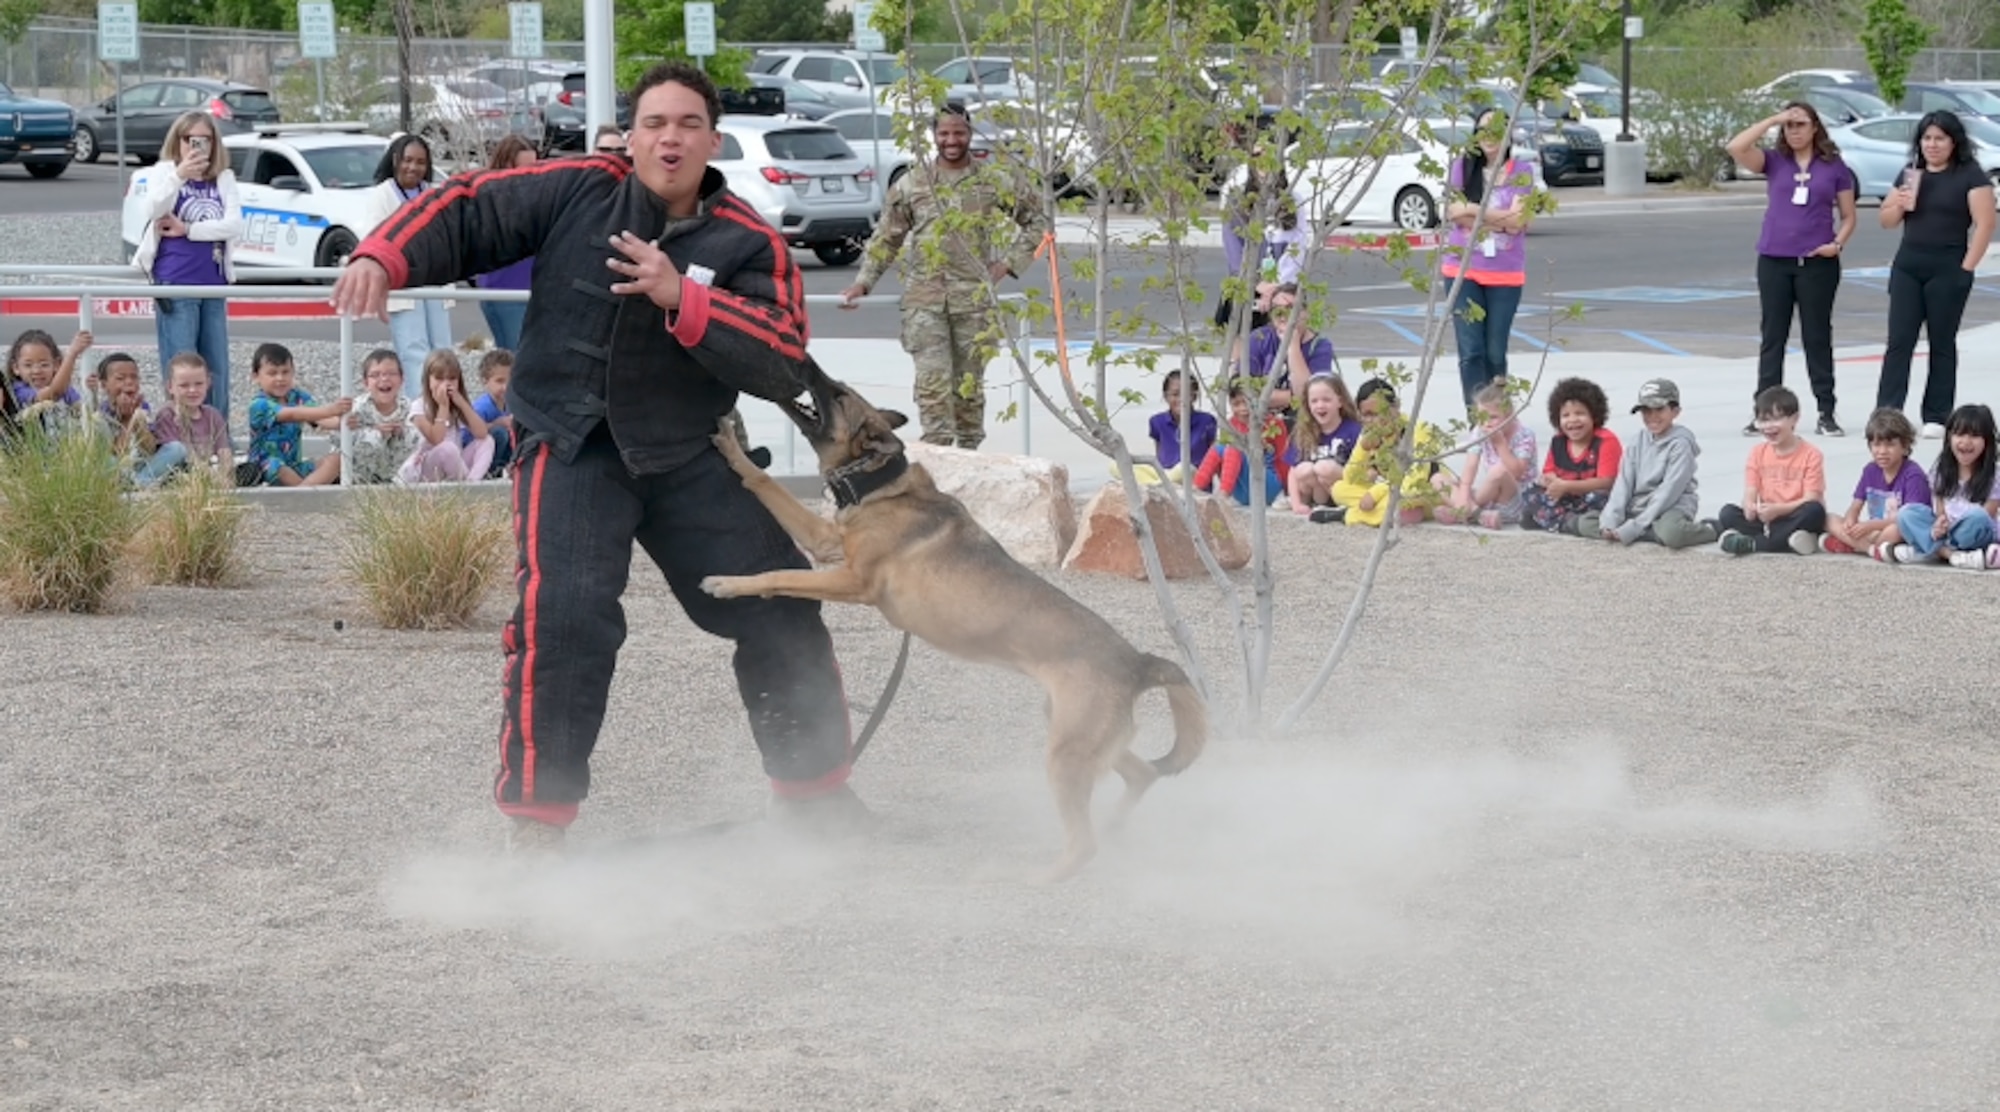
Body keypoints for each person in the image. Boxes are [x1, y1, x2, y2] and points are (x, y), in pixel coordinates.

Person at [330, 61, 868, 846]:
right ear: (634, 134)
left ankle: (816, 796)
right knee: (566, 620)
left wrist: (684, 295)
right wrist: (384, 255)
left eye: (688, 124)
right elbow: (469, 209)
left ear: (713, 139)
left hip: (692, 450)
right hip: (571, 445)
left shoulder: (748, 238)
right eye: (655, 123)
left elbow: (784, 356)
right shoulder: (577, 186)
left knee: (782, 608)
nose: (670, 138)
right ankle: (538, 826)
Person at [841, 102, 1049, 450]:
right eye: (944, 133)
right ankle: (938, 460)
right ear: (934, 136)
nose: (951, 140)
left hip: (974, 303)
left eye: (959, 132)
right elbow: (886, 238)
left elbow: (1038, 221)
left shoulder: (992, 181)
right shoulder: (913, 183)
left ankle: (969, 458)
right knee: (933, 387)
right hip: (924, 304)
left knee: (968, 389)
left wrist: (1009, 264)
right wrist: (863, 283)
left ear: (969, 134)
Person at [1726, 102, 1858, 437]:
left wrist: (1837, 244)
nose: (1794, 130)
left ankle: (1826, 412)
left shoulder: (1834, 167)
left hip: (1817, 263)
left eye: (1800, 124)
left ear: (1815, 127)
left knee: (1817, 337)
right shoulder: (1774, 161)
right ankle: (1766, 411)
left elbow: (1849, 216)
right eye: (1789, 125)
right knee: (1773, 337)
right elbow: (1736, 147)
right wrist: (1771, 119)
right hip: (1774, 260)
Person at [1875, 111, 1997, 439]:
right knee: (1899, 340)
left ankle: (1937, 414)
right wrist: (1898, 204)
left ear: (1953, 141)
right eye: (1926, 138)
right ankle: (1889, 411)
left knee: (1941, 341)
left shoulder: (1970, 175)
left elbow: (1985, 224)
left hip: (1948, 267)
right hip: (1908, 266)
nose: (1932, 144)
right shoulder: (1911, 173)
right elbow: (1886, 220)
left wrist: (1966, 268)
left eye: (1939, 138)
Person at [134, 112, 241, 422]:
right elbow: (153, 209)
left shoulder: (224, 178)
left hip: (213, 281)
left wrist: (188, 229)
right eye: (189, 139)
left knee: (215, 369)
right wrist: (179, 175)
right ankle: (181, 439)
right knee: (181, 366)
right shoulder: (164, 173)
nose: (197, 146)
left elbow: (233, 226)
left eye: (205, 140)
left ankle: (218, 442)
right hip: (176, 281)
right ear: (177, 141)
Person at [1442, 107, 1537, 407]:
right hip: (1462, 270)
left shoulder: (1522, 172)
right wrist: (1499, 218)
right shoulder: (1462, 167)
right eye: (1484, 131)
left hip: (1505, 275)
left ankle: (1497, 415)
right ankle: (1477, 420)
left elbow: (1519, 221)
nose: (1490, 138)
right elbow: (1454, 213)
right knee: (1471, 352)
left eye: (1497, 130)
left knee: (1495, 353)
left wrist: (1474, 211)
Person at [1578, 378, 1718, 549]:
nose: (1652, 417)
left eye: (1659, 409)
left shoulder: (1681, 445)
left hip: (1671, 506)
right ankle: (1645, 532)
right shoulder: (1637, 440)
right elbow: (1624, 483)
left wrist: (1635, 527)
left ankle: (1711, 529)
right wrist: (1610, 521)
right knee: (1587, 522)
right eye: (1646, 411)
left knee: (1672, 534)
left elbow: (1669, 492)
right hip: (1638, 506)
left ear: (1675, 411)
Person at [368, 133, 452, 397]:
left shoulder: (434, 193)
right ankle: (421, 420)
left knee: (442, 350)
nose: (413, 167)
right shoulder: (381, 195)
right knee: (414, 354)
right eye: (407, 160)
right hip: (403, 284)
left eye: (420, 162)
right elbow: (375, 236)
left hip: (433, 279)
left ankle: (446, 415)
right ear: (395, 160)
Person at [1715, 386, 1828, 555]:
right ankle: (1791, 540)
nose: (1768, 427)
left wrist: (1779, 510)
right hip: (1766, 518)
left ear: (1794, 419)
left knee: (1814, 511)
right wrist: (1750, 506)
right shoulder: (1757, 452)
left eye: (1776, 419)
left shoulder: (1811, 454)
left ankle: (1754, 543)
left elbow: (1810, 498)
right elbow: (1750, 490)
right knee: (1728, 513)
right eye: (1763, 420)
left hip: (1794, 515)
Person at [1884, 403, 1999, 569]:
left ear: (1987, 441)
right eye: (1959, 434)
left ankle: (1926, 550)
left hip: (1972, 533)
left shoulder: (1994, 475)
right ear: (1949, 437)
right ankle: (1950, 554)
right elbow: (1940, 511)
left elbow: (1987, 516)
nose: (1966, 442)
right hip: (1944, 532)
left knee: (1977, 517)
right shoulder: (1941, 470)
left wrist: (1944, 530)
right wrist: (1939, 524)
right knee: (1907, 513)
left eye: (1974, 435)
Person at [1327, 378, 1451, 527]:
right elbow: (1350, 478)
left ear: (1395, 407)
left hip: (1422, 492)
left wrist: (1376, 493)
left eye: (1378, 413)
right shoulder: (1370, 433)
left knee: (1394, 500)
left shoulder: (1418, 430)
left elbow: (1414, 481)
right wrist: (1363, 450)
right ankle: (1398, 514)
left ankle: (1349, 515)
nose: (1373, 420)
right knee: (1339, 489)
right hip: (1392, 493)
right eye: (1366, 415)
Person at [1520, 376, 1622, 535]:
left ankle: (1553, 520)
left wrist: (1566, 486)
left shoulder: (1606, 440)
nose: (1572, 420)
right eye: (1565, 415)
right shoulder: (1558, 440)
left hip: (1590, 497)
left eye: (1580, 413)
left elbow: (1607, 482)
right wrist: (1554, 483)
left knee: (1602, 498)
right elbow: (1548, 472)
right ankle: (1572, 523)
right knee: (1530, 491)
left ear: (1594, 415)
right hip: (1565, 497)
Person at [1823, 408, 1928, 556]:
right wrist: (1850, 520)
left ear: (1905, 447)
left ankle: (1851, 545)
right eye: (1877, 445)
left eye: (1890, 445)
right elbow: (1856, 505)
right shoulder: (1870, 470)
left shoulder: (1913, 475)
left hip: (1896, 530)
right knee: (1828, 518)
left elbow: (1910, 520)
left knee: (1896, 530)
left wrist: (1870, 526)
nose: (1882, 451)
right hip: (1872, 531)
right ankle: (1870, 549)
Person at [245, 342, 348, 487]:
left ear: (293, 372)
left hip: (294, 465)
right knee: (277, 467)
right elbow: (292, 414)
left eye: (285, 372)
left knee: (337, 460)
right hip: (264, 467)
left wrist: (343, 422)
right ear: (256, 377)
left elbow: (321, 419)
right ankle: (306, 495)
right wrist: (331, 409)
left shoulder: (298, 396)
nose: (280, 378)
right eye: (272, 373)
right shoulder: (258, 404)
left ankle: (303, 492)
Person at [1435, 381, 1536, 529]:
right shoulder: (1479, 430)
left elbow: (1518, 472)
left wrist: (1500, 444)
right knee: (1438, 479)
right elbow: (1470, 466)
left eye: (1493, 417)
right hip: (1488, 497)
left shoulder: (1524, 435)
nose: (1486, 423)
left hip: (1514, 498)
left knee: (1499, 470)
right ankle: (1473, 512)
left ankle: (1462, 513)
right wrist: (1463, 495)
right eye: (1481, 417)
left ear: (1510, 416)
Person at [472, 135, 539, 352]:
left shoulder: (536, 196)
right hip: (502, 290)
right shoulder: (489, 198)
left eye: (534, 166)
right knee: (515, 359)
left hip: (533, 290)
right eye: (523, 168)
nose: (530, 174)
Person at [92, 351, 188, 487]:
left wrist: (138, 420)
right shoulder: (102, 413)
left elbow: (149, 449)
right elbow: (119, 452)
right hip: (118, 466)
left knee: (177, 449)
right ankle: (135, 482)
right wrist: (128, 419)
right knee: (106, 460)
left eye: (134, 377)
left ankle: (141, 480)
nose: (129, 382)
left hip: (141, 463)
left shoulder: (143, 407)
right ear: (104, 384)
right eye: (120, 378)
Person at [398, 348, 494, 484]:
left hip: (455, 466)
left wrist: (462, 403)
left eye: (452, 378)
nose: (445, 384)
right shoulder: (419, 406)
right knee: (447, 448)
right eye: (439, 378)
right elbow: (437, 439)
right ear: (428, 380)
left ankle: (472, 484)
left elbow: (482, 433)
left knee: (487, 441)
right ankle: (465, 486)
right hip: (426, 470)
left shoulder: (456, 405)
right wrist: (443, 407)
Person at [1237, 282, 1332, 416]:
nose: (1282, 314)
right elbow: (1243, 391)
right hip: (1262, 419)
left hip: (1301, 420)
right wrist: (1292, 397)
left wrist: (1293, 346)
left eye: (1290, 308)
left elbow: (1309, 396)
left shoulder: (1320, 346)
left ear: (1305, 313)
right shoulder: (1258, 338)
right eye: (1276, 309)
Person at [1193, 383, 1289, 506]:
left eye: (1246, 402)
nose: (1243, 408)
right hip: (1243, 488)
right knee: (1218, 447)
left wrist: (1288, 492)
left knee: (1236, 445)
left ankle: (1223, 495)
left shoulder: (1272, 424)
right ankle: (1195, 488)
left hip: (1267, 484)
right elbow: (1224, 460)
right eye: (1236, 404)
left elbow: (1284, 458)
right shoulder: (1232, 423)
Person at [151, 351, 234, 481]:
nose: (192, 390)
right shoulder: (167, 415)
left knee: (249, 470)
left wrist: (226, 474)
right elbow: (174, 454)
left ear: (208, 383)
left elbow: (223, 450)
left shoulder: (213, 414)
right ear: (170, 387)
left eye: (199, 384)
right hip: (180, 470)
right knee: (180, 472)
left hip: (209, 466)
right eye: (184, 385)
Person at [1286, 373, 1362, 516]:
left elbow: (1361, 468)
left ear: (1340, 401)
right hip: (1314, 493)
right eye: (1314, 401)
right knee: (1303, 468)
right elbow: (1292, 471)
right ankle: (1315, 505)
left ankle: (1341, 504)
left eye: (1326, 400)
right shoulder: (1303, 431)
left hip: (1341, 488)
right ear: (1307, 404)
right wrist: (1296, 505)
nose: (1320, 405)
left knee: (1324, 467)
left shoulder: (1354, 430)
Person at [343, 349, 417, 486]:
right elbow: (340, 439)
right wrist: (374, 431)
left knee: (413, 435)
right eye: (375, 375)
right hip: (362, 475)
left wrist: (401, 432)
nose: (384, 379)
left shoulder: (408, 407)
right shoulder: (358, 408)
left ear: (402, 379)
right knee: (372, 437)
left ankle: (402, 483)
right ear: (366, 383)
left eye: (391, 374)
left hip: (397, 473)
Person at [1147, 369, 1216, 480]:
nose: (1181, 399)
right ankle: (1161, 483)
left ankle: (1162, 483)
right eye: (1175, 394)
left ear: (1194, 396)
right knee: (1118, 467)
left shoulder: (1207, 421)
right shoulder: (1157, 422)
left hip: (1195, 480)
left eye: (1186, 394)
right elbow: (1159, 455)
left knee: (1184, 469)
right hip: (1167, 476)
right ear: (1166, 396)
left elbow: (1214, 457)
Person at [6, 328, 88, 412]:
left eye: (44, 365)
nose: (37, 371)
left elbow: (82, 410)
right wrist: (72, 354)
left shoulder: (66, 389)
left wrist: (92, 392)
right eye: (28, 365)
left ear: (56, 365)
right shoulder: (19, 391)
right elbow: (53, 394)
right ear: (16, 368)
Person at [472, 348, 515, 478]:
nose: (505, 387)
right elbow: (470, 434)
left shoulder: (510, 403)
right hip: (478, 452)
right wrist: (497, 423)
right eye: (499, 381)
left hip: (502, 448)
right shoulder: (482, 406)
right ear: (485, 381)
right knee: (500, 433)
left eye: (509, 381)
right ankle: (492, 470)